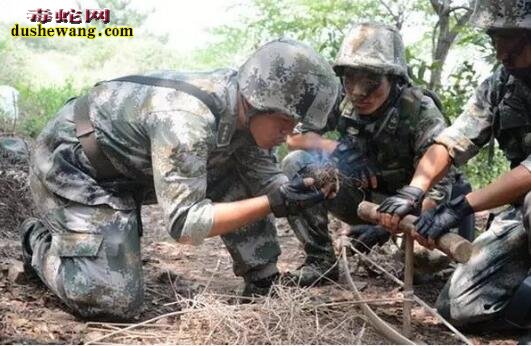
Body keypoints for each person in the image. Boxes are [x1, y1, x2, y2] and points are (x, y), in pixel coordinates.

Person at [20, 39, 340, 320]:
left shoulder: (245, 113)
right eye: (285, 122)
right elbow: (185, 225)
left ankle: (262, 276)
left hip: (131, 168)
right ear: (257, 102)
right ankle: (36, 241)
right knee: (110, 300)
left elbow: (266, 182)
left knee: (237, 173)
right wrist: (274, 201)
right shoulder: (187, 121)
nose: (289, 134)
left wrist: (299, 189)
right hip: (77, 165)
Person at [376, 0, 531, 329]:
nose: (502, 52)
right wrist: (415, 189)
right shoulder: (501, 85)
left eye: (512, 40)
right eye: (495, 39)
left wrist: (461, 206)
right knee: (460, 308)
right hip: (523, 213)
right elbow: (454, 140)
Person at [281, 22, 459, 287]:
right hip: (363, 199)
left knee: (425, 262)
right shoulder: (340, 97)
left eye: (370, 83)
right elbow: (291, 138)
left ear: (394, 79)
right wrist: (337, 149)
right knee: (297, 164)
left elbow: (440, 182)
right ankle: (320, 261)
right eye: (350, 79)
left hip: (414, 206)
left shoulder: (419, 109)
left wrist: (390, 224)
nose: (357, 93)